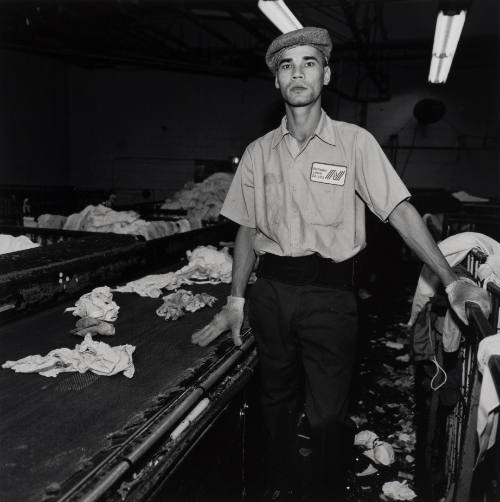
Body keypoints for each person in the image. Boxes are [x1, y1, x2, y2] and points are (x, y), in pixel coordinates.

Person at [191, 27, 490, 501]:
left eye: (308, 63)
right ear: (276, 82)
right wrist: (235, 298)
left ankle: (324, 490)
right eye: (286, 66)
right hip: (270, 294)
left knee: (327, 415)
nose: (297, 73)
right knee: (275, 403)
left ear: (326, 74)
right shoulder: (257, 153)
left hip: (330, 295)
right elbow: (246, 229)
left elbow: (398, 210)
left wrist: (451, 280)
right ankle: (282, 486)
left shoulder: (354, 144)